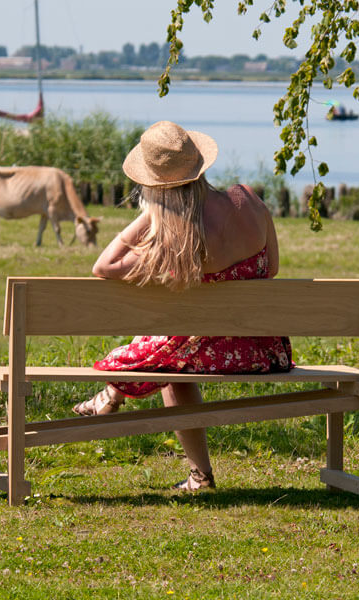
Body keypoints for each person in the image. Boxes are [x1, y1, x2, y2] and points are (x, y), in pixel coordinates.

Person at [73, 120, 293, 491]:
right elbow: (270, 269)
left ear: (153, 184)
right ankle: (195, 473)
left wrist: (148, 217)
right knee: (178, 347)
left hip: (204, 352)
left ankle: (117, 401)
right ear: (199, 164)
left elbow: (104, 266)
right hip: (264, 350)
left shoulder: (177, 243)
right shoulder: (250, 201)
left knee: (170, 355)